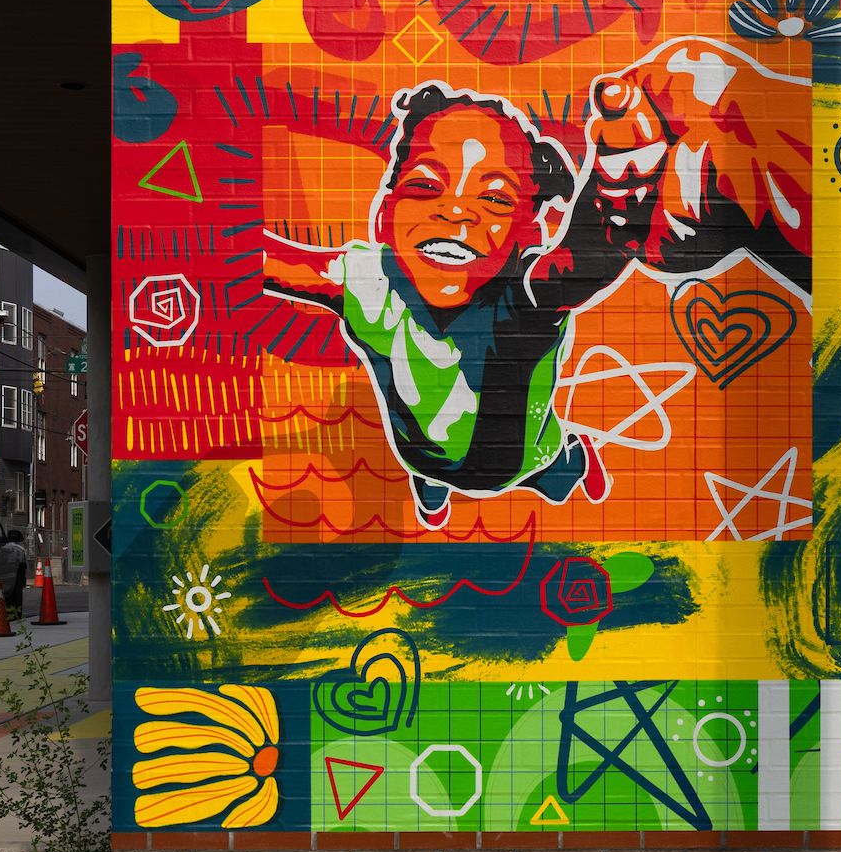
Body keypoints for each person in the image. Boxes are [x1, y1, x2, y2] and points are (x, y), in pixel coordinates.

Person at [262, 38, 809, 527]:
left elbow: (578, 264)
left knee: (553, 468)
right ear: (385, 214)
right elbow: (279, 262)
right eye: (426, 187)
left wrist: (611, 202)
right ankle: (431, 486)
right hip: (419, 451)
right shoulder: (363, 278)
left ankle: (571, 462)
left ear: (528, 233)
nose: (455, 213)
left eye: (496, 198)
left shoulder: (522, 300)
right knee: (426, 463)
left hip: (526, 459)